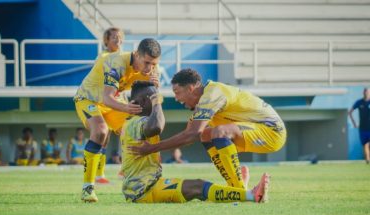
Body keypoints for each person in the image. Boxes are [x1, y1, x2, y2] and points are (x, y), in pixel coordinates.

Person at [131, 68, 286, 190]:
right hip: (257, 129)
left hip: (272, 132)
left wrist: (152, 148)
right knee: (206, 134)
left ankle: (237, 189)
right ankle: (236, 184)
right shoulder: (204, 101)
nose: (177, 98)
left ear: (191, 88)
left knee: (219, 132)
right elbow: (189, 135)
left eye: (177, 92)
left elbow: (191, 135)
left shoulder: (213, 94)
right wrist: (155, 150)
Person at [120, 82, 269, 204]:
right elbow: (157, 125)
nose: (156, 102)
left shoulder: (131, 123)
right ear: (144, 102)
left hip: (147, 186)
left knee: (198, 188)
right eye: (151, 99)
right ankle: (250, 195)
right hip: (144, 190)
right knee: (198, 187)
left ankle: (240, 191)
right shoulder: (136, 123)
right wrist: (157, 101)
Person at [74, 38, 161, 202]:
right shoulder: (117, 62)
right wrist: (126, 108)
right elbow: (107, 98)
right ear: (136, 54)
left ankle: (136, 177)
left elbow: (146, 100)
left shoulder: (151, 70)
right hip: (89, 99)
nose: (150, 68)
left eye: (154, 64)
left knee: (138, 129)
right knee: (101, 131)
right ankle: (88, 188)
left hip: (114, 102)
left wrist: (154, 86)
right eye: (147, 63)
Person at [348, 87, 370, 163]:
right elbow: (350, 112)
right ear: (363, 93)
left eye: (367, 92)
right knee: (365, 144)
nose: (366, 93)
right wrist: (354, 123)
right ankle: (367, 160)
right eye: (365, 92)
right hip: (363, 128)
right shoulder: (359, 102)